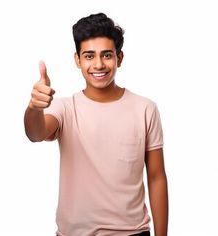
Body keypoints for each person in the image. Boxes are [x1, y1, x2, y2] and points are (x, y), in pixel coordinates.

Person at [24, 13, 168, 236]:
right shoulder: (65, 108)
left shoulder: (145, 109)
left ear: (119, 58)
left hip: (132, 233)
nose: (98, 64)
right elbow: (35, 132)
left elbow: (157, 176)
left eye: (107, 55)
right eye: (89, 56)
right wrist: (34, 107)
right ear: (77, 60)